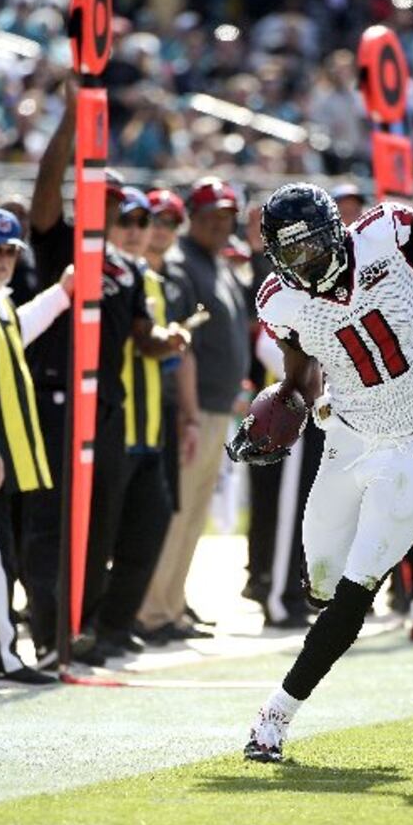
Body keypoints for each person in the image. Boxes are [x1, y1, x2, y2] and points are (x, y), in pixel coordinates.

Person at [227, 22, 413, 762]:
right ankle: (326, 616)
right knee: (317, 576)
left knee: (352, 589)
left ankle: (273, 718)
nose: (309, 261)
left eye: (315, 244)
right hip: (345, 433)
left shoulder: (392, 236)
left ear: (335, 230)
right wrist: (274, 415)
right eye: (293, 255)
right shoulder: (279, 301)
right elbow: (298, 379)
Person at [20, 80, 189, 669]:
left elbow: (142, 333)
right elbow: (44, 193)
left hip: (109, 408)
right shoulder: (63, 245)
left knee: (99, 526)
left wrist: (166, 339)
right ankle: (46, 633)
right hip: (58, 402)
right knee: (51, 524)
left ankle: (83, 625)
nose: (120, 216)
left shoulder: (124, 267)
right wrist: (70, 121)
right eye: (112, 205)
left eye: (127, 210)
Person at [137, 176, 250, 635]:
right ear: (193, 218)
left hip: (217, 407)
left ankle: (173, 602)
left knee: (195, 513)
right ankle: (152, 610)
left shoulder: (217, 264)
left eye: (227, 216)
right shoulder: (183, 265)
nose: (222, 224)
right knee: (178, 512)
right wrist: (185, 413)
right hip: (194, 408)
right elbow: (183, 347)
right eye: (212, 216)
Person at [0, 208, 72, 684]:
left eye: (9, 251)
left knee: (4, 554)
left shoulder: (0, 301)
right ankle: (3, 655)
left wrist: (61, 296)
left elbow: (15, 332)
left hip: (9, 451)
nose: (3, 260)